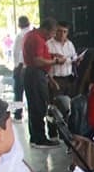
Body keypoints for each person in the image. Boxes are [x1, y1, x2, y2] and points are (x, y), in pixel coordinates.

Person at [21, 18, 59, 147]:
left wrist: (51, 55)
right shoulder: (37, 39)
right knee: (38, 106)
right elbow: (37, 61)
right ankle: (39, 138)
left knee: (36, 106)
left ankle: (36, 136)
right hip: (35, 74)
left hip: (34, 73)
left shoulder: (31, 35)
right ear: (46, 30)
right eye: (53, 32)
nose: (53, 36)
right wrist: (55, 62)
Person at [47, 21, 77, 96]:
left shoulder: (69, 44)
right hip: (56, 79)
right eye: (59, 31)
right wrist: (51, 80)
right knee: (58, 103)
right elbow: (45, 63)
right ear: (55, 31)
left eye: (64, 32)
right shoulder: (48, 44)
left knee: (70, 103)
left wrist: (77, 60)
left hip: (69, 78)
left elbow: (74, 57)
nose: (62, 34)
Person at [12, 15, 32, 121]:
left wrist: (16, 67)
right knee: (30, 92)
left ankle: (18, 114)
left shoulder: (20, 35)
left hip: (20, 67)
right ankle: (30, 113)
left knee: (18, 92)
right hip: (30, 68)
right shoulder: (31, 33)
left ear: (19, 24)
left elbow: (17, 53)